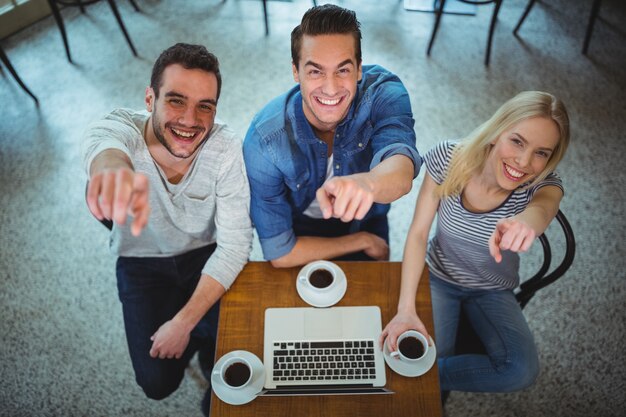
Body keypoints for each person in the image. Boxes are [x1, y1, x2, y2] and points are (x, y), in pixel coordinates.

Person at [81, 43, 252, 414]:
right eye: (176, 101)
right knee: (157, 383)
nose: (190, 120)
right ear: (149, 98)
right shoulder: (120, 127)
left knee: (238, 350)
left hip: (206, 254)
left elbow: (236, 246)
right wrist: (111, 170)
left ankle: (204, 335)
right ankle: (205, 330)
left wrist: (181, 322)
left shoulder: (225, 148)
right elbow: (105, 147)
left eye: (204, 105)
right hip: (141, 263)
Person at [380, 91, 570, 395]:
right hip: (440, 278)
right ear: (496, 131)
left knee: (521, 369)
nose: (524, 162)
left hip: (493, 289)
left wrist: (527, 222)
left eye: (541, 152)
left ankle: (421, 379)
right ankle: (423, 379)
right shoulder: (447, 158)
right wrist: (405, 310)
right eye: (517, 141)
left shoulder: (541, 184)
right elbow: (417, 235)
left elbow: (544, 208)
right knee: (423, 347)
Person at [243, 4, 422, 268]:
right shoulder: (265, 141)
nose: (331, 88)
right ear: (296, 72)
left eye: (343, 70)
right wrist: (361, 241)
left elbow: (402, 166)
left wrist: (369, 184)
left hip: (368, 217)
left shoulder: (384, 93)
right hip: (303, 231)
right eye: (315, 71)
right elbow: (280, 253)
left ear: (359, 69)